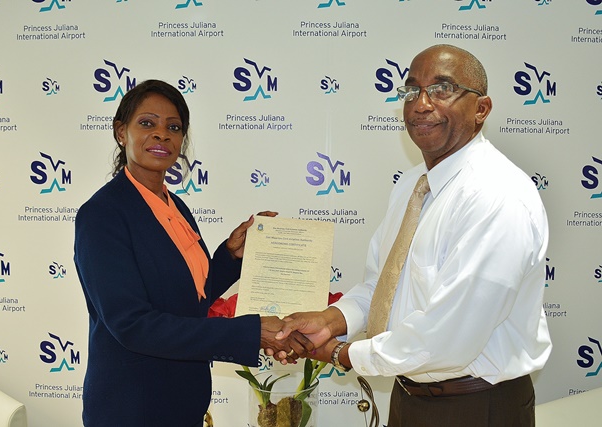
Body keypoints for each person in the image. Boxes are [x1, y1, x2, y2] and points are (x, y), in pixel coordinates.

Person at [275, 44, 552, 426]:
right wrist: (330, 321)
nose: (421, 104)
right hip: (410, 399)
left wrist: (342, 354)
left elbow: (449, 338)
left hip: (477, 408)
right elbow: (382, 286)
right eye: (411, 91)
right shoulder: (412, 185)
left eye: (442, 89)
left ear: (481, 109)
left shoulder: (497, 195)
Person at [73, 79, 311, 427]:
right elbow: (132, 325)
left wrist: (232, 257)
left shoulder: (176, 207)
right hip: (131, 407)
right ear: (121, 132)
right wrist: (250, 332)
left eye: (174, 127)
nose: (162, 135)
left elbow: (189, 301)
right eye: (147, 123)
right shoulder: (102, 214)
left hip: (183, 401)